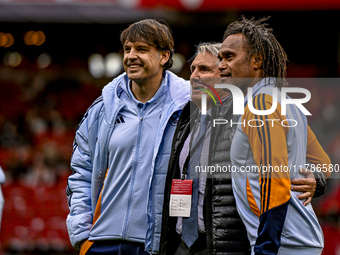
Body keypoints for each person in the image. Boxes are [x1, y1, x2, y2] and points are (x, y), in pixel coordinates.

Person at [159, 42, 327, 255]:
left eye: (204, 70)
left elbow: (311, 159)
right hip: (184, 246)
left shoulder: (253, 113)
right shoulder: (186, 119)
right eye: (193, 69)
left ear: (225, 75)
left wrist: (315, 179)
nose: (193, 77)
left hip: (229, 246)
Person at [66, 19, 190, 255]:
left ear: (164, 57)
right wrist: (82, 236)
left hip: (158, 246)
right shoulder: (103, 109)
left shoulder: (187, 109)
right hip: (102, 241)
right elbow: (81, 171)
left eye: (141, 49)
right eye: (127, 49)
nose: (131, 56)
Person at [219, 16, 332, 255]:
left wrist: (266, 248)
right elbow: (324, 164)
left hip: (283, 243)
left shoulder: (261, 103)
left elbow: (275, 177)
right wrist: (314, 181)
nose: (220, 65)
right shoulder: (285, 102)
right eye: (220, 57)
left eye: (229, 57)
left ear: (257, 60)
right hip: (297, 239)